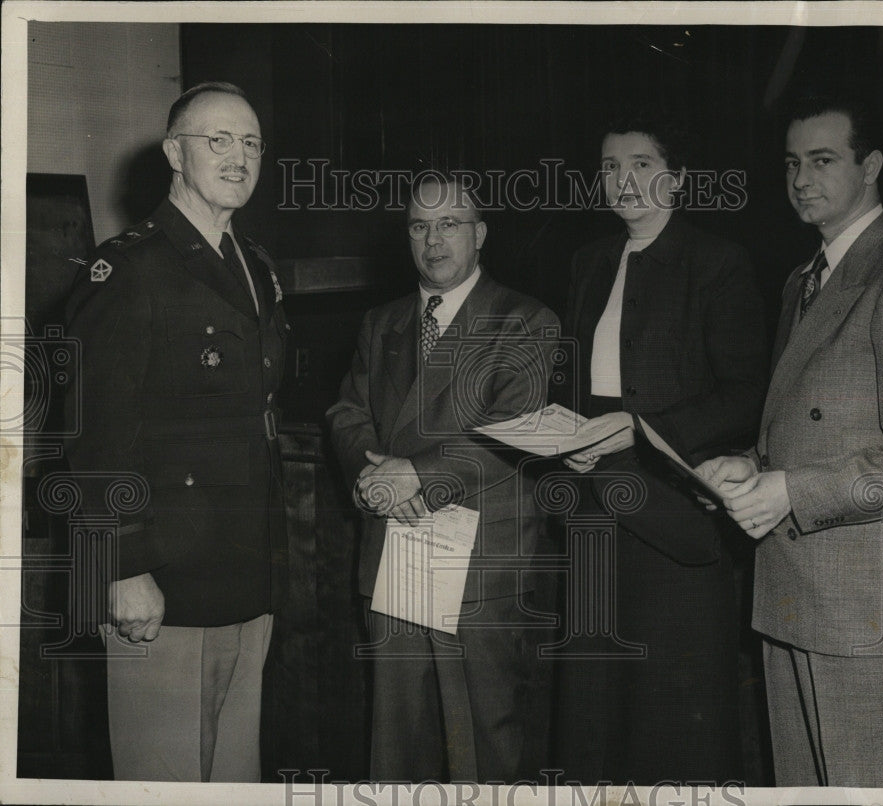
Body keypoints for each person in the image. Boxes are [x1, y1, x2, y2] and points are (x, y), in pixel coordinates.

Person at [695, 95, 883, 787]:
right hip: (794, 592)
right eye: (792, 163)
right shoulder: (803, 281)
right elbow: (809, 426)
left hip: (866, 608)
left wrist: (790, 489)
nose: (800, 179)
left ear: (871, 165)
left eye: (822, 160)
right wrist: (752, 463)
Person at [64, 81, 289, 782]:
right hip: (161, 579)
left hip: (247, 572)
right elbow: (97, 432)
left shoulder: (255, 265)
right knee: (161, 780)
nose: (238, 156)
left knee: (233, 778)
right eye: (217, 140)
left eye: (250, 143)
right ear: (173, 152)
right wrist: (124, 566)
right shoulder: (130, 268)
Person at [552, 115, 768, 784]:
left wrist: (641, 430)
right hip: (594, 510)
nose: (625, 180)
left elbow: (745, 392)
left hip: (675, 517)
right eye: (611, 166)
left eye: (641, 164)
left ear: (674, 179)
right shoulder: (588, 263)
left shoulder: (718, 262)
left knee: (673, 720)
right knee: (595, 712)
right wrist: (565, 436)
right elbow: (574, 378)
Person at [327, 173, 559, 782]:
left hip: (480, 556)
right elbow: (348, 412)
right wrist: (371, 476)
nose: (434, 240)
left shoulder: (525, 320)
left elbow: (513, 433)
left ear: (480, 234)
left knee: (482, 740)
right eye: (419, 226)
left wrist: (416, 477)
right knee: (398, 741)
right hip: (396, 543)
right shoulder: (382, 323)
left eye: (450, 223)